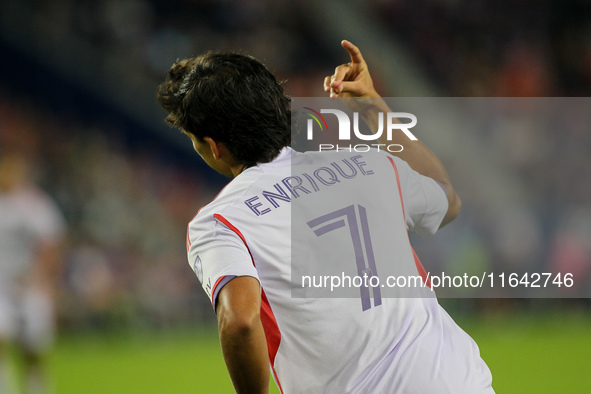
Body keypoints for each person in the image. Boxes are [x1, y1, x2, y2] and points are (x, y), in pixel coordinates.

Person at [156, 40, 494, 393]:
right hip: (457, 381)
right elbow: (447, 200)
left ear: (213, 146)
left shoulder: (220, 222)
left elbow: (240, 320)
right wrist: (372, 108)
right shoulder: (370, 164)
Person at [0, 150, 66, 394]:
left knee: (34, 349)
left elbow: (51, 243)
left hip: (30, 284)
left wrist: (44, 279)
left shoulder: (35, 204)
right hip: (1, 284)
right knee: (1, 336)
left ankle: (37, 389)